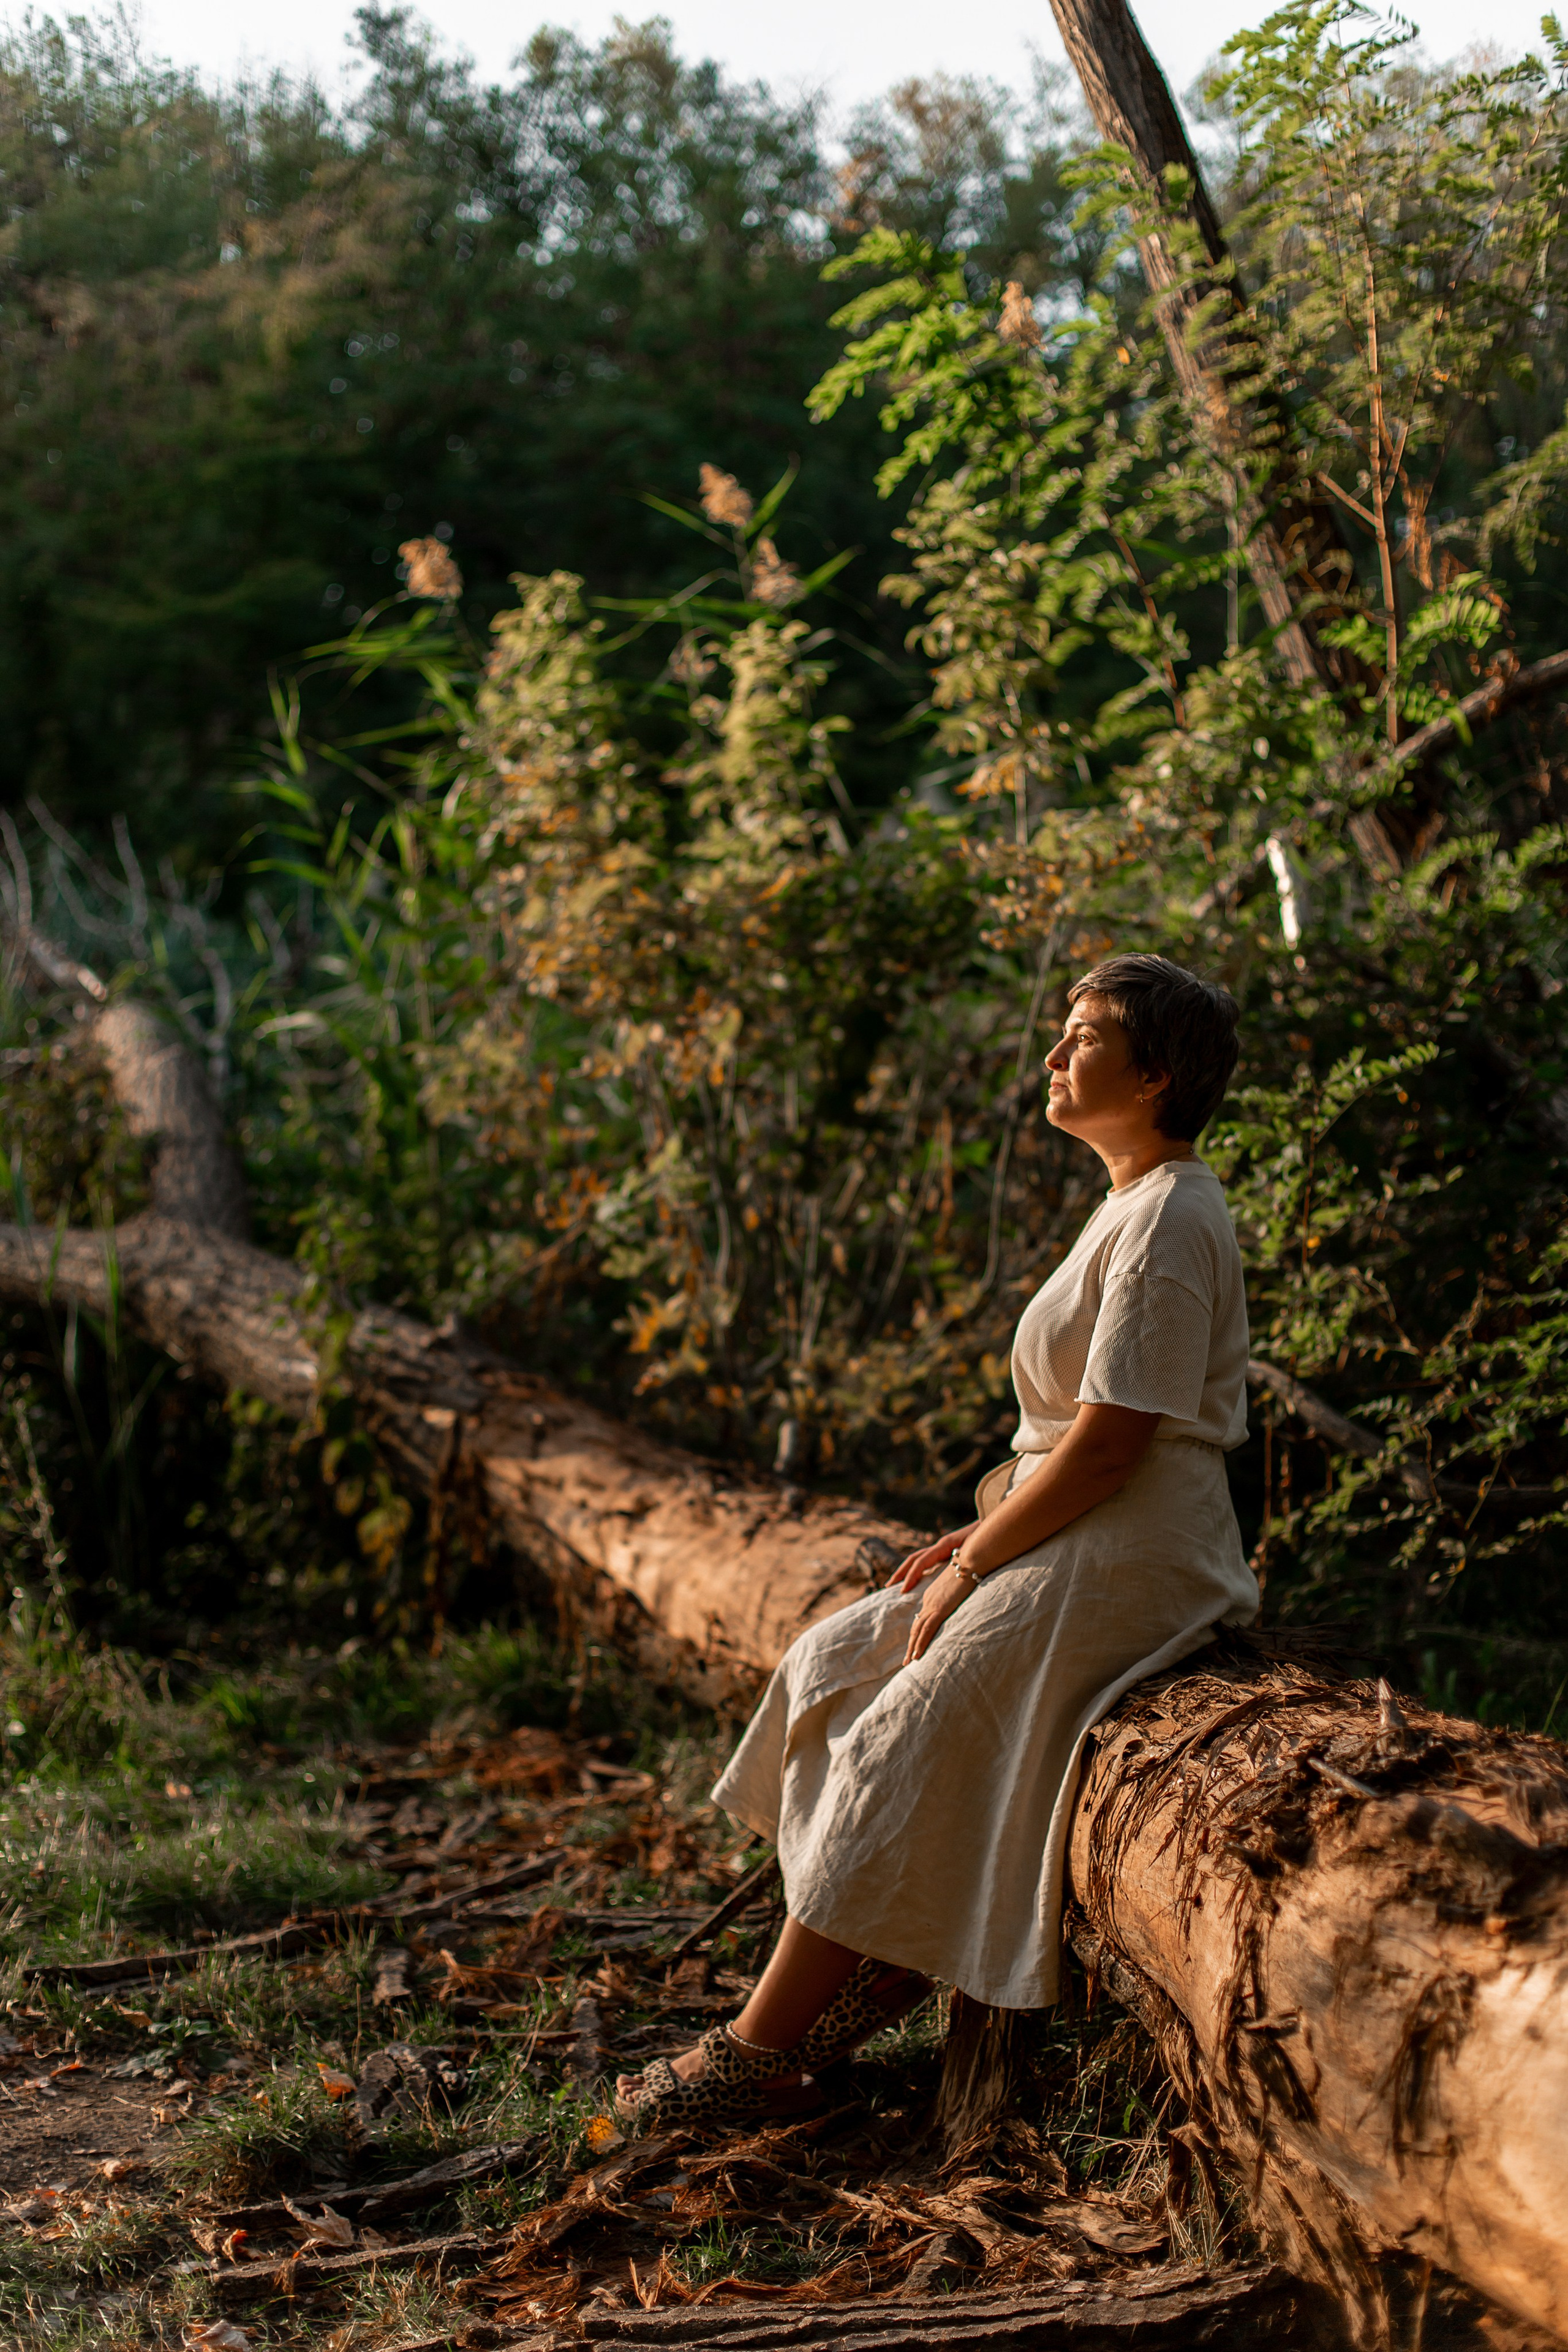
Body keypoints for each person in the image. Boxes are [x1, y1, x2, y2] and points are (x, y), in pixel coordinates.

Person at [615, 952, 1259, 2132]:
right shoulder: (1129, 1201)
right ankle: (848, 1999)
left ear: (1156, 1071)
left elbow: (1117, 1444)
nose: (1055, 1054)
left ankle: (759, 2056)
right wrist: (975, 1534)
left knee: (911, 1731)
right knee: (834, 1660)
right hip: (1086, 1519)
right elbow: (1081, 1433)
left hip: (1141, 1548)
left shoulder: (1172, 1214)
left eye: (1083, 1034)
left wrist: (976, 1565)